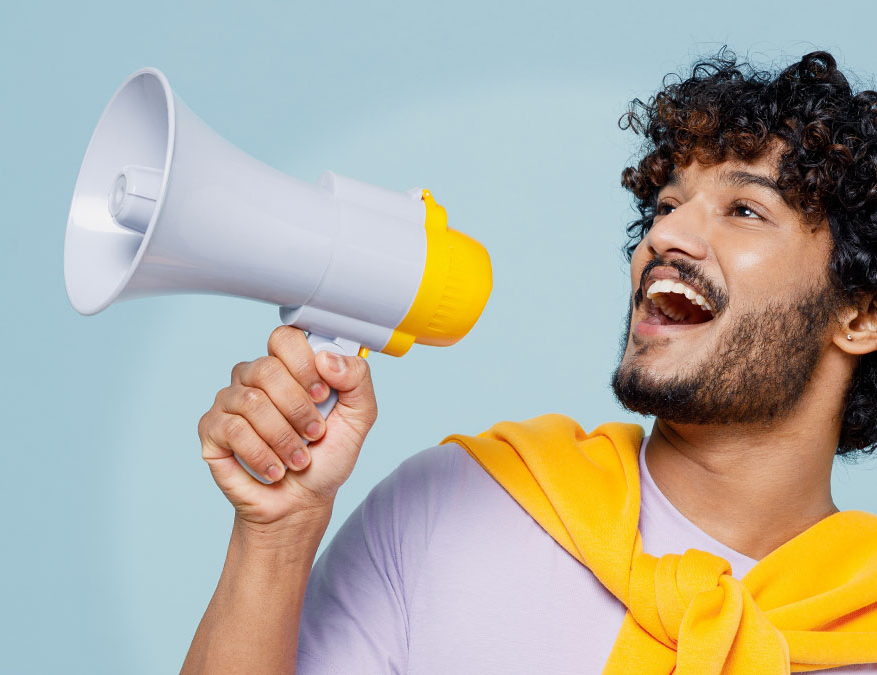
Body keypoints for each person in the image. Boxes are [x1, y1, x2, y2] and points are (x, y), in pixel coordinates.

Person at [181, 50, 877, 674]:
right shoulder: (453, 506)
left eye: (745, 210)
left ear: (861, 314)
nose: (665, 233)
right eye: (666, 205)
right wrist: (275, 534)